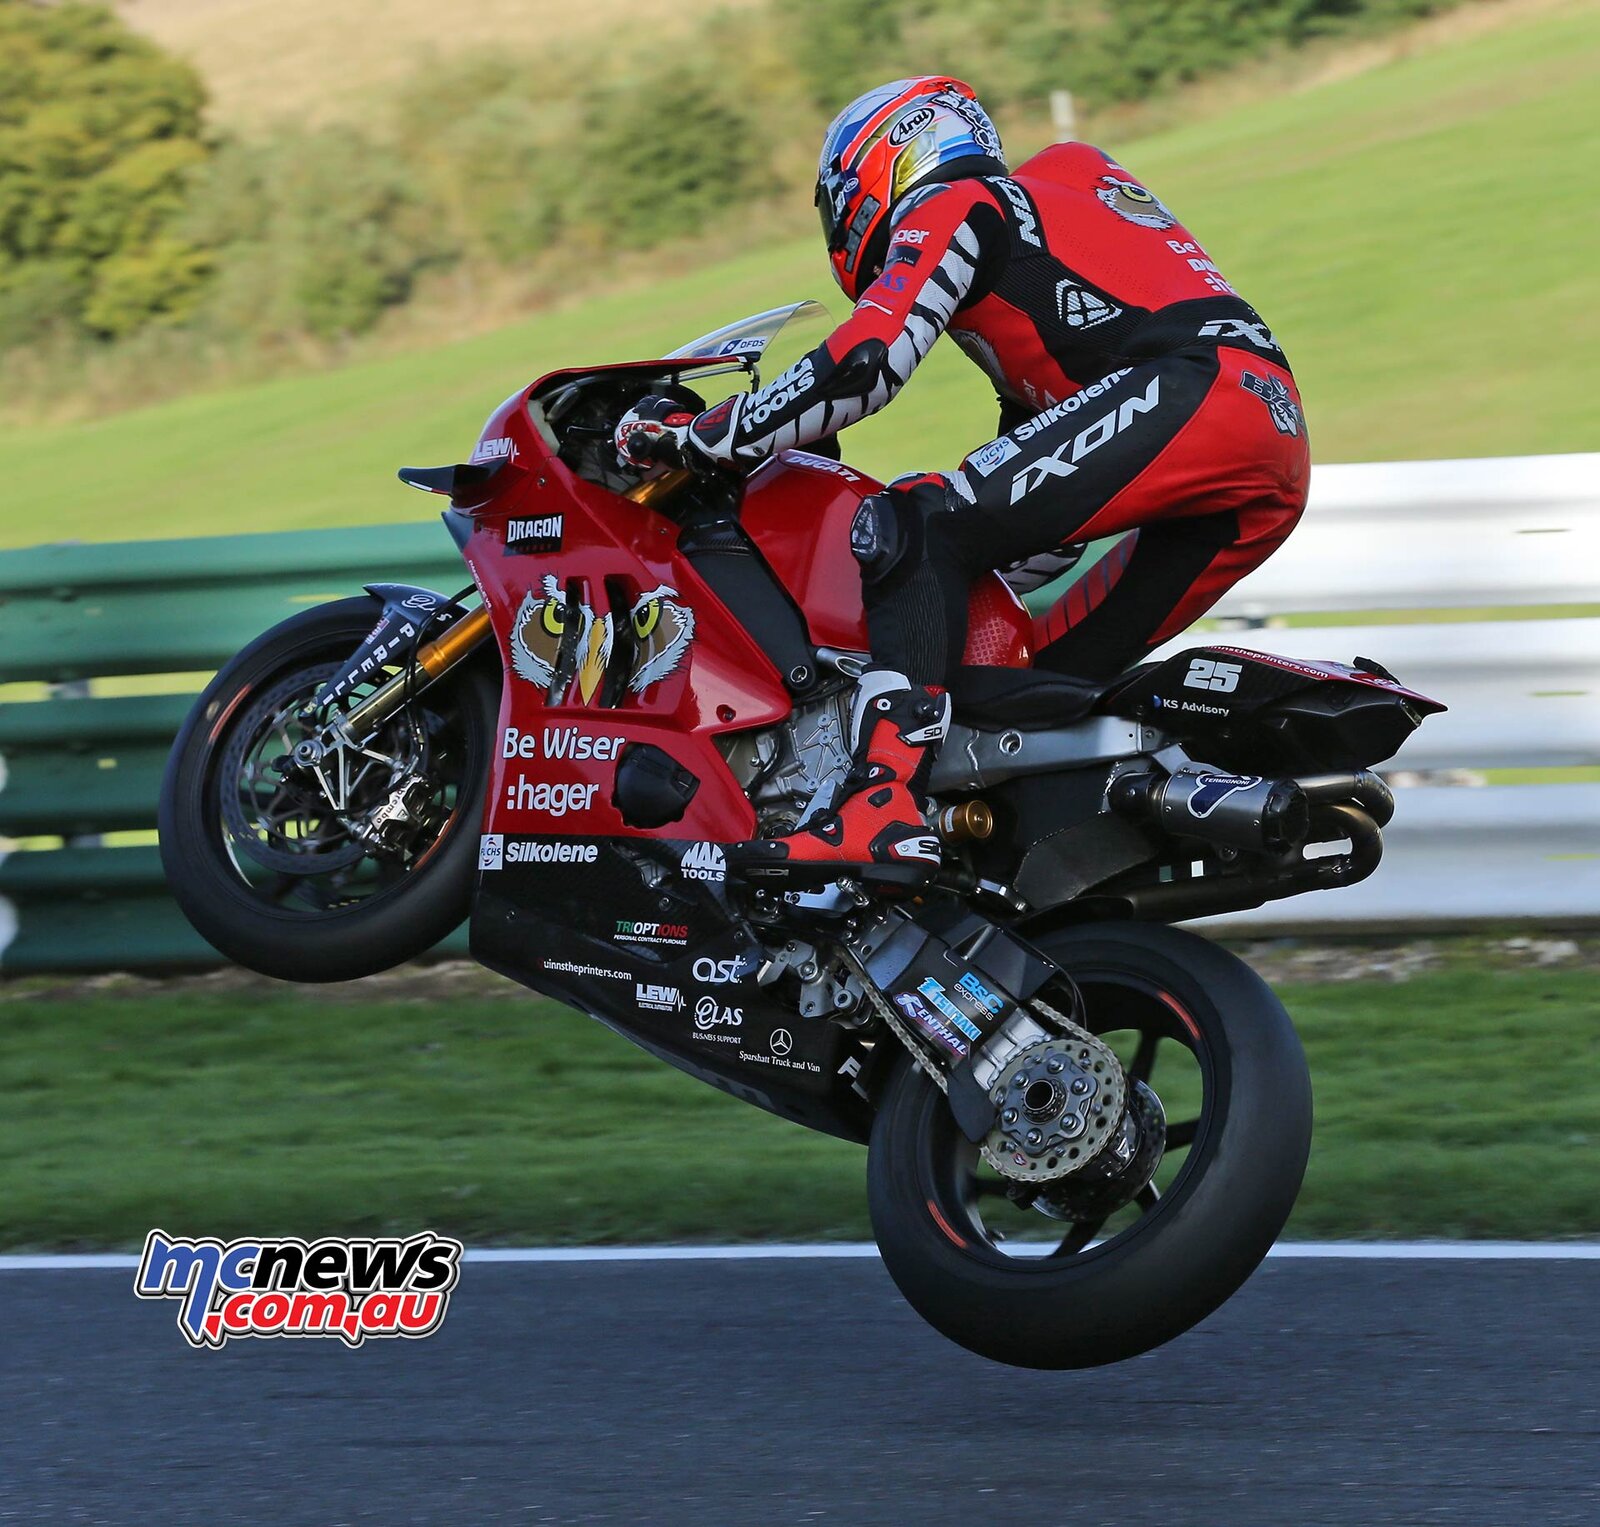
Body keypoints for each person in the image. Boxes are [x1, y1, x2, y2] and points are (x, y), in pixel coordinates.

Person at [614, 76, 1309, 887]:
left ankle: (876, 808)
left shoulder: (960, 203)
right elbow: (1033, 534)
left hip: (1195, 387)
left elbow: (865, 365)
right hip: (1269, 444)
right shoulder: (1047, 250)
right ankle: (1056, 862)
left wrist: (701, 436)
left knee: (912, 518)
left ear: (881, 166)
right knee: (1033, 695)